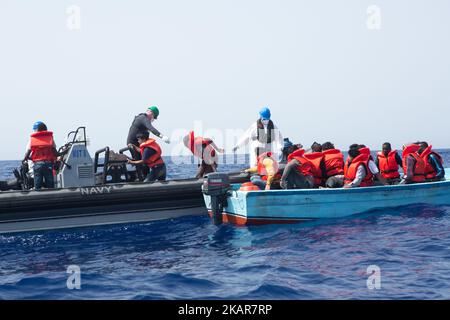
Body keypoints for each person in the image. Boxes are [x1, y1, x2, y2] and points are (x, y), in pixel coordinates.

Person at [23, 122, 58, 190]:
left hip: (37, 164)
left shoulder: (32, 140)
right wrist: (64, 152)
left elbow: (26, 156)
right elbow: (55, 154)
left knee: (37, 185)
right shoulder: (50, 139)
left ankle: (37, 195)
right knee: (50, 185)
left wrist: (31, 159)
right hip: (48, 164)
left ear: (36, 130)